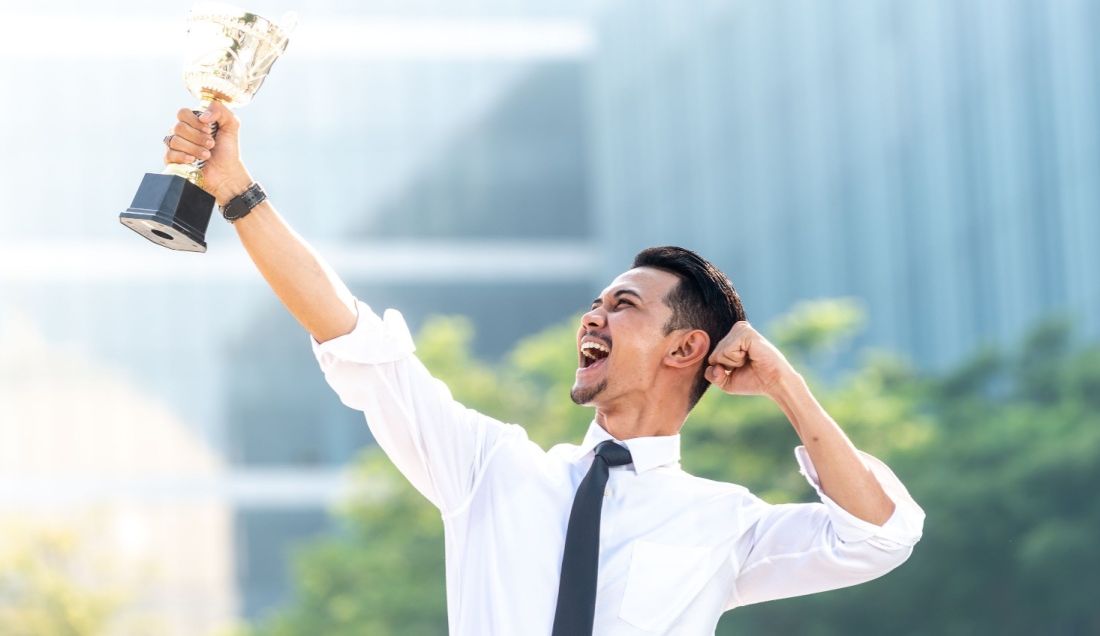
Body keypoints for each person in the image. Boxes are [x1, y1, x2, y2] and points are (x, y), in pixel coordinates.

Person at [164, 102, 924, 635]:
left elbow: (879, 537)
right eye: (594, 302)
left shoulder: (723, 524)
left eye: (623, 305)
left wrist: (786, 386)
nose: (592, 317)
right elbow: (352, 334)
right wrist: (237, 191)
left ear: (685, 348)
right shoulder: (491, 469)